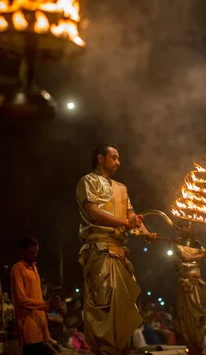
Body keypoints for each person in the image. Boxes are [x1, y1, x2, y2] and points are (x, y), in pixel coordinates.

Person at [76, 143, 157, 355]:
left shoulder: (121, 188)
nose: (118, 162)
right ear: (100, 158)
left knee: (123, 307)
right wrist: (125, 222)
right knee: (104, 303)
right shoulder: (88, 181)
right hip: (100, 250)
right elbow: (93, 213)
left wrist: (146, 232)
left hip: (120, 253)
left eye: (119, 158)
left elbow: (132, 216)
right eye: (114, 157)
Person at [10, 235, 63, 355]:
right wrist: (47, 305)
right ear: (23, 251)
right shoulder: (17, 269)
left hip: (40, 325)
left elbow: (37, 297)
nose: (35, 255)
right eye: (31, 252)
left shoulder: (34, 268)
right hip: (28, 326)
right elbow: (21, 300)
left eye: (36, 252)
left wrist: (52, 306)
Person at [173, 235, 206, 355]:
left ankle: (199, 345)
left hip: (197, 286)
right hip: (187, 287)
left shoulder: (197, 246)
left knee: (200, 315)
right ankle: (193, 345)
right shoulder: (177, 246)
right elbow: (186, 258)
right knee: (190, 317)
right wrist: (202, 255)